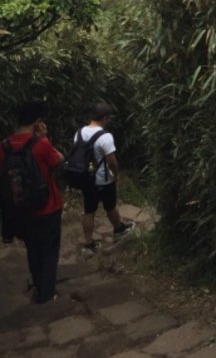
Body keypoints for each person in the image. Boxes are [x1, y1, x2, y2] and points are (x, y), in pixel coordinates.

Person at [0, 100, 64, 304]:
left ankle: (39, 286)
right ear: (37, 122)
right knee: (50, 250)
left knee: (33, 249)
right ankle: (47, 294)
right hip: (48, 206)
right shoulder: (41, 144)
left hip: (20, 209)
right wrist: (45, 137)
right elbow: (58, 161)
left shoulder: (4, 146)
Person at [76, 102, 135, 253]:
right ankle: (119, 230)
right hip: (102, 179)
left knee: (89, 210)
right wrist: (116, 175)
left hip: (86, 179)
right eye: (109, 118)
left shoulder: (79, 133)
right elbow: (111, 161)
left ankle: (89, 244)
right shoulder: (105, 136)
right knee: (110, 206)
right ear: (105, 117)